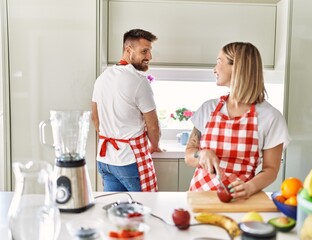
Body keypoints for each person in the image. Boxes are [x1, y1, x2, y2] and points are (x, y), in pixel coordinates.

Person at [185, 42, 290, 199]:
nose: (214, 69)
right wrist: (201, 155)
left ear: (237, 67)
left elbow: (271, 169)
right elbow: (189, 155)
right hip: (199, 197)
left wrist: (249, 187)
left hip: (241, 199)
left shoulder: (271, 117)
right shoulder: (208, 109)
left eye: (219, 61)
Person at [91, 29, 161, 192]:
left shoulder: (102, 78)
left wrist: (112, 135)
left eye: (150, 51)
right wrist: (155, 145)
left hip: (105, 160)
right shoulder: (139, 81)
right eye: (144, 51)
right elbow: (153, 126)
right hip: (129, 161)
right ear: (128, 50)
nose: (149, 57)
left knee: (116, 212)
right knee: (143, 210)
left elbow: (95, 118)